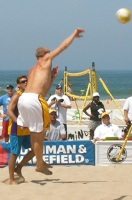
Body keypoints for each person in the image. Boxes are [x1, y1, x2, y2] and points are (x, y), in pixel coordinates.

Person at [17, 27, 84, 175]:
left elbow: (43, 92)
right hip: (33, 100)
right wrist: (74, 34)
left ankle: (40, 162)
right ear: (44, 54)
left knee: (36, 135)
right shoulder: (46, 59)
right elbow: (63, 47)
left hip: (26, 100)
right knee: (39, 136)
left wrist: (52, 78)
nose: (50, 53)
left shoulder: (33, 69)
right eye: (48, 51)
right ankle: (39, 164)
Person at [6, 76, 35, 185]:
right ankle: (11, 179)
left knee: (35, 150)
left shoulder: (29, 95)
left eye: (27, 81)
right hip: (16, 130)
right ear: (18, 85)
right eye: (23, 82)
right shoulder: (16, 96)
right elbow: (9, 111)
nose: (26, 82)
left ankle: (19, 168)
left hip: (27, 129)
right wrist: (18, 121)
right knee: (15, 154)